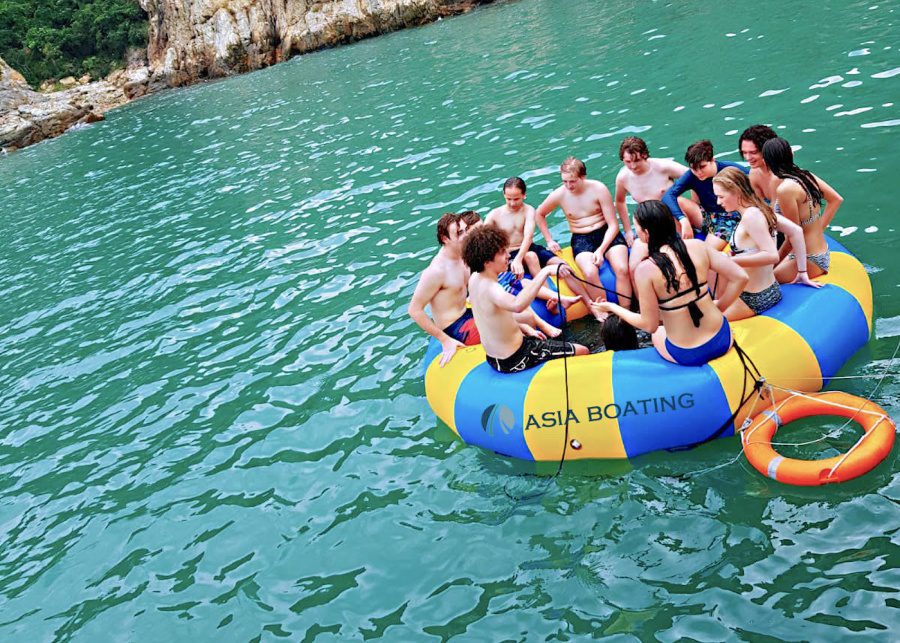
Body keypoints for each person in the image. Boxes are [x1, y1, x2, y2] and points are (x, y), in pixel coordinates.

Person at [592, 200, 749, 367]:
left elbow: (649, 325)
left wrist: (612, 307)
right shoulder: (697, 246)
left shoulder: (645, 269)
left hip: (689, 353)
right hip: (722, 338)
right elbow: (741, 277)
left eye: (635, 226)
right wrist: (720, 307)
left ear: (646, 233)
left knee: (658, 332)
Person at [464, 225, 588, 373]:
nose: (508, 255)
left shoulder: (474, 279)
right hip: (517, 357)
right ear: (487, 261)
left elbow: (496, 317)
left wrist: (526, 329)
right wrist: (545, 272)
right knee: (583, 350)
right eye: (502, 252)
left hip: (494, 358)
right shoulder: (493, 289)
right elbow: (517, 305)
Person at [535, 157, 632, 317]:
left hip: (606, 232)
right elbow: (539, 214)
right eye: (565, 181)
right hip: (581, 238)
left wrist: (601, 250)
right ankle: (604, 313)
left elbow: (613, 225)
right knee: (589, 272)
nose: (568, 185)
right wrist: (549, 240)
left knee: (621, 268)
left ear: (583, 177)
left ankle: (626, 312)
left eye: (572, 181)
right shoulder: (559, 194)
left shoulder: (598, 189)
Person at [484, 178, 593, 309]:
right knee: (531, 257)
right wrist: (510, 259)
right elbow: (484, 241)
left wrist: (519, 259)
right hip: (509, 253)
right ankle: (554, 298)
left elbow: (528, 236)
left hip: (529, 247)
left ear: (524, 195)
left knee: (563, 266)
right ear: (504, 195)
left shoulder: (528, 210)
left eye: (516, 199)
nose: (512, 203)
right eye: (509, 199)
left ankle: (589, 304)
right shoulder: (494, 215)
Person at [460, 208, 580, 314]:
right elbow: (517, 306)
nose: (481, 234)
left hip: (503, 275)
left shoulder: (484, 251)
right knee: (521, 286)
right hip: (497, 283)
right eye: (476, 232)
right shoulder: (472, 263)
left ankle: (556, 299)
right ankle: (554, 303)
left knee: (526, 281)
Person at [614, 136, 702, 275]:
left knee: (683, 252)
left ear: (645, 155)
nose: (633, 166)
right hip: (650, 223)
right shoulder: (623, 177)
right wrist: (628, 231)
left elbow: (695, 177)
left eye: (637, 160)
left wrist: (695, 203)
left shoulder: (663, 167)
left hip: (673, 216)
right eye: (628, 162)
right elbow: (620, 201)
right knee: (633, 267)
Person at [763, 137, 844, 280]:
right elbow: (836, 200)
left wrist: (773, 265)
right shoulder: (806, 176)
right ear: (791, 155)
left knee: (758, 283)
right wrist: (817, 229)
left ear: (768, 163)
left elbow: (792, 237)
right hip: (820, 252)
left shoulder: (785, 190)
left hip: (809, 260)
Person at [711, 167, 784, 320]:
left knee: (697, 324)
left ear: (736, 191)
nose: (718, 202)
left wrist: (730, 260)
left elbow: (772, 255)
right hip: (760, 291)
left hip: (756, 298)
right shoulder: (755, 210)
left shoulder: (751, 216)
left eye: (721, 196)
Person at [408, 213, 477, 366]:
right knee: (501, 329)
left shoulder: (463, 255)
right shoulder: (436, 271)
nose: (466, 236)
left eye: (466, 230)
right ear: (445, 238)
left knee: (517, 317)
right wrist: (445, 340)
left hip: (467, 311)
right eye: (459, 233)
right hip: (455, 326)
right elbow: (414, 310)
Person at [662, 139, 749, 251]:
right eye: (694, 168)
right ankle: (683, 244)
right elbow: (668, 196)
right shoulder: (691, 175)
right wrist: (682, 219)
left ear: (712, 160)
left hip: (730, 219)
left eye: (702, 167)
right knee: (677, 201)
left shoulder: (731, 170)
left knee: (706, 252)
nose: (698, 172)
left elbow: (756, 192)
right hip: (708, 216)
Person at [738, 125, 779, 202]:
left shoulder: (780, 176)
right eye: (744, 152)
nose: (748, 157)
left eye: (753, 152)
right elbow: (759, 206)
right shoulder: (754, 173)